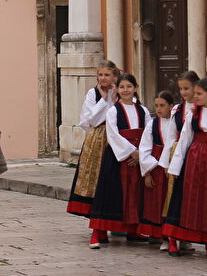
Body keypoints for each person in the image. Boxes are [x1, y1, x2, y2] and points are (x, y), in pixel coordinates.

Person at [164, 77, 207, 257]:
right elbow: (184, 139)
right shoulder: (193, 113)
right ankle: (176, 239)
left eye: (199, 93)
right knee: (190, 199)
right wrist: (175, 166)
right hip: (195, 159)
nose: (195, 96)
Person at [88, 73, 149, 248]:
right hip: (118, 157)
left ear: (135, 88)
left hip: (137, 157)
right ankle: (98, 232)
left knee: (135, 193)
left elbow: (148, 132)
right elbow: (112, 134)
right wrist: (131, 151)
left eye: (129, 86)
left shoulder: (142, 110)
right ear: (117, 89)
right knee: (110, 194)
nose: (126, 90)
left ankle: (133, 229)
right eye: (122, 87)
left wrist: (140, 153)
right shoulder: (113, 110)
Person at [66, 61, 119, 240]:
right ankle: (98, 220)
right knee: (96, 179)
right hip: (97, 139)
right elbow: (90, 121)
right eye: (100, 75)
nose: (103, 78)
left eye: (107, 75)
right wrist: (104, 100)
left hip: (118, 138)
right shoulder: (93, 94)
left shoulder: (121, 92)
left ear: (114, 76)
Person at [158, 70, 199, 253]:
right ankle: (172, 236)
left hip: (196, 157)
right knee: (175, 197)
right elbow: (171, 137)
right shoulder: (177, 110)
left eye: (187, 88)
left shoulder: (204, 109)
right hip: (179, 156)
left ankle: (187, 236)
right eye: (181, 89)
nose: (183, 92)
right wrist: (166, 162)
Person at [138, 90, 174, 241]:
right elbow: (144, 148)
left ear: (171, 106)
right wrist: (147, 173)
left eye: (162, 105)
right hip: (156, 167)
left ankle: (176, 236)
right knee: (157, 202)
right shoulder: (152, 124)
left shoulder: (177, 123)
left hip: (173, 164)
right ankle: (160, 235)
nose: (159, 109)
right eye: (156, 105)